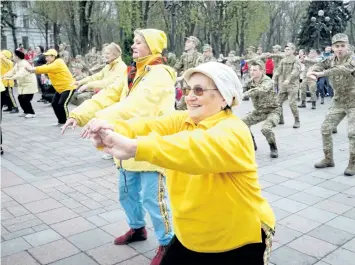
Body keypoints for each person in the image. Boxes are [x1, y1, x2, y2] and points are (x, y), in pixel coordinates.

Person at [84, 62, 275, 265]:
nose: (189, 96)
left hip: (237, 239)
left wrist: (135, 147)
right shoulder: (185, 120)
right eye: (188, 89)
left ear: (224, 97)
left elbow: (192, 148)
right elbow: (149, 124)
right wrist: (110, 130)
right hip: (191, 235)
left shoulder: (234, 130)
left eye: (199, 90)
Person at [62, 28, 176, 265]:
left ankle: (167, 243)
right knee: (127, 194)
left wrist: (100, 120)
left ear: (153, 47)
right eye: (133, 42)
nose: (133, 46)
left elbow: (136, 105)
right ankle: (137, 229)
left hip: (150, 145)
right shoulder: (131, 71)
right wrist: (79, 114)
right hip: (125, 146)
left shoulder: (160, 73)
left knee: (153, 199)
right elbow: (108, 95)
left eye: (139, 42)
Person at [308, 33, 355, 176]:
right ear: (333, 47)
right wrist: (312, 71)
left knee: (353, 133)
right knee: (326, 128)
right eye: (337, 46)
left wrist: (322, 74)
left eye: (342, 46)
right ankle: (328, 159)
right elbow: (319, 64)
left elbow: (343, 69)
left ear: (347, 46)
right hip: (339, 101)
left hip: (353, 102)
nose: (340, 49)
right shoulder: (331, 59)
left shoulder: (352, 59)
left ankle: (352, 163)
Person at [25, 49, 76, 126]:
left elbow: (47, 68)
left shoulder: (59, 62)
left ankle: (68, 123)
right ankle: (61, 121)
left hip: (68, 87)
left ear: (53, 56)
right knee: (55, 104)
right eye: (46, 56)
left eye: (48, 56)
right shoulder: (50, 63)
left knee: (62, 104)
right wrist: (33, 70)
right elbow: (44, 67)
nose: (46, 58)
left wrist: (33, 69)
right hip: (60, 89)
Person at [242, 60, 281, 158]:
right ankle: (252, 144)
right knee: (242, 124)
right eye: (251, 70)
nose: (252, 72)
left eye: (254, 70)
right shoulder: (249, 82)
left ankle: (273, 147)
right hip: (259, 111)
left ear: (262, 71)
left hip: (273, 110)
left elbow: (261, 89)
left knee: (265, 128)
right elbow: (240, 88)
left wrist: (245, 94)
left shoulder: (268, 81)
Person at [273, 42, 301, 128]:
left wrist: (288, 79)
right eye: (285, 49)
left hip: (292, 85)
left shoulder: (296, 60)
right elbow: (278, 70)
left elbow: (295, 72)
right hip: (283, 85)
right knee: (278, 102)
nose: (286, 51)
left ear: (293, 50)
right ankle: (280, 119)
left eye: (288, 49)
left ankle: (297, 120)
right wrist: (274, 77)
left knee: (292, 103)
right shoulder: (283, 60)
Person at [2, 50, 38, 118]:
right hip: (24, 85)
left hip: (29, 84)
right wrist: (4, 76)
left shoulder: (24, 63)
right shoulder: (18, 63)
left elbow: (21, 73)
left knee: (25, 98)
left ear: (17, 57)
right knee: (20, 98)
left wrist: (12, 78)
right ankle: (26, 111)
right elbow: (12, 71)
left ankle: (31, 113)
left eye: (14, 56)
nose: (12, 57)